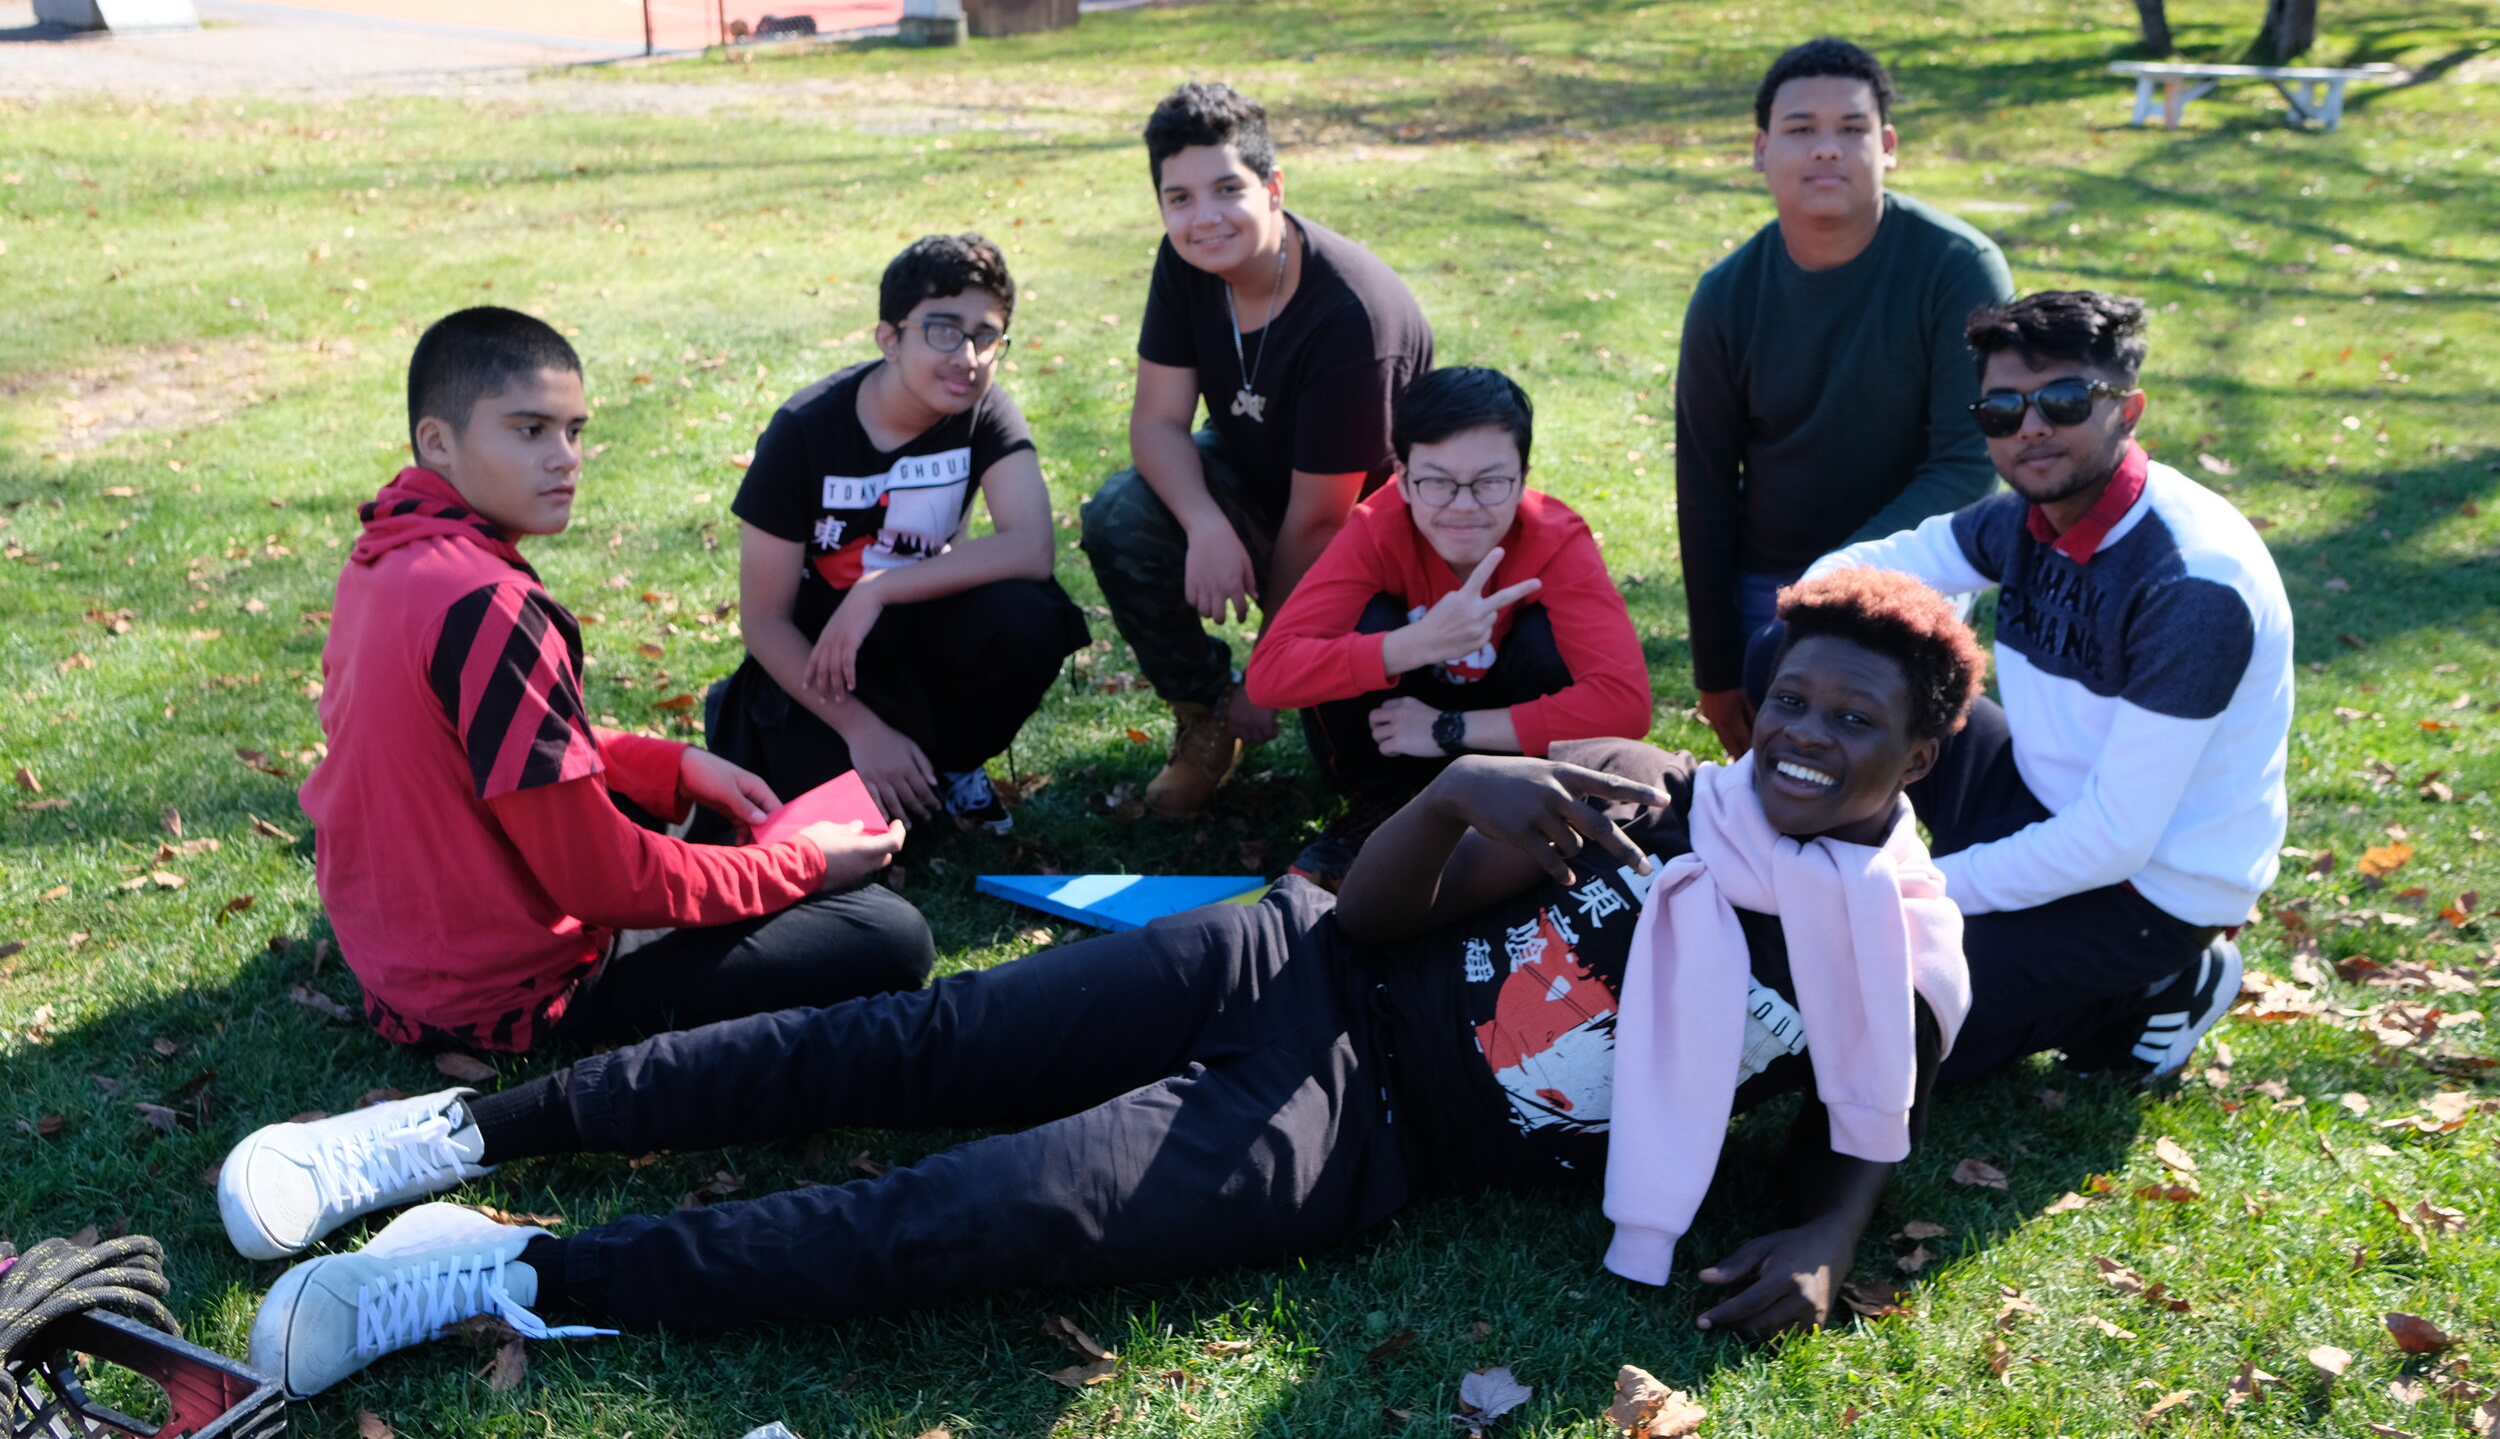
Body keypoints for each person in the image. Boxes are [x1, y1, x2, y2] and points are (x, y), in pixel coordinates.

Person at [229, 569, 1983, 1396]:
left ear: (1927, 747)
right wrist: (1455, 792)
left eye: (1861, 722)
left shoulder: (1885, 949)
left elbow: (1866, 1110)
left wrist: (1828, 1237)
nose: (1815, 741)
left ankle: (512, 1277)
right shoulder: (1648, 790)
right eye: (1799, 702)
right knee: (902, 1043)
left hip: (1371, 1128)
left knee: (985, 1210)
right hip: (1295, 953)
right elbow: (1368, 921)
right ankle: (443, 1131)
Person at [289, 310, 930, 1068]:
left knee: (724, 826)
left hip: (404, 954)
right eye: (530, 430)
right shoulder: (491, 606)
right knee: (888, 933)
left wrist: (676, 767)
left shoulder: (387, 553)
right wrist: (807, 867)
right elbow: (601, 880)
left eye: (574, 430)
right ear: (438, 441)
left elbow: (497, 741)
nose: (565, 458)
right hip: (504, 994)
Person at [1786, 289, 2294, 1087]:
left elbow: (2113, 838)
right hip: (2038, 788)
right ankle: (1803, 864)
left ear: (2127, 410)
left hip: (2147, 888)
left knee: (1887, 1023)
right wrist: (1828, 629)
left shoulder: (2193, 583)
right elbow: (1858, 572)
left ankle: (2162, 983)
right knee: (1783, 648)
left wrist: (1907, 887)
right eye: (2001, 408)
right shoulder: (2027, 516)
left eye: (2062, 400)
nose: (2031, 427)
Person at [1081, 82, 1434, 818]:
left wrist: (1269, 669)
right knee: (1121, 515)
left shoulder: (1350, 316)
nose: (1203, 218)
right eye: (1178, 198)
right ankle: (1208, 718)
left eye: (1226, 190)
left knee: (1357, 769)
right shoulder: (1188, 262)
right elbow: (1157, 423)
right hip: (1261, 480)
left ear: (1273, 189)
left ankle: (1284, 704)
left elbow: (1322, 523)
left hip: (1379, 538)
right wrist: (1207, 524)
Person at [1677, 36, 2015, 761]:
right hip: (1770, 582)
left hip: (1917, 566)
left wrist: (1840, 578)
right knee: (1782, 800)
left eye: (1852, 129)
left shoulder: (1957, 268)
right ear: (1761, 149)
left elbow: (1965, 463)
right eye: (1801, 129)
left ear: (1887, 145)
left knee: (1889, 775)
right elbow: (1705, 487)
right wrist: (1715, 670)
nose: (1826, 149)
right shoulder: (1726, 296)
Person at [705, 234, 1088, 830]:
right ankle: (773, 722)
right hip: (823, 661)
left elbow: (1031, 546)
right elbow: (764, 622)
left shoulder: (984, 412)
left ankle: (956, 764)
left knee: (1029, 615)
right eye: (943, 330)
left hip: (918, 628)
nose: (967, 357)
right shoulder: (804, 431)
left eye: (986, 336)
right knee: (848, 833)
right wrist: (861, 729)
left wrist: (876, 589)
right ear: (890, 337)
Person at [1245, 366, 1653, 885]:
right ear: (1404, 477)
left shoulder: (1556, 539)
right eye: (1437, 481)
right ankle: (1378, 806)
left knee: (1543, 637)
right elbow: (1270, 676)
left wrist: (1447, 730)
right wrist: (1411, 645)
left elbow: (1626, 705)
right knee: (1366, 624)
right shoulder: (1376, 528)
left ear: (1524, 476)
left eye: (1490, 482)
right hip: (1390, 737)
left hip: (1503, 751)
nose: (1463, 506)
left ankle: (1524, 809)